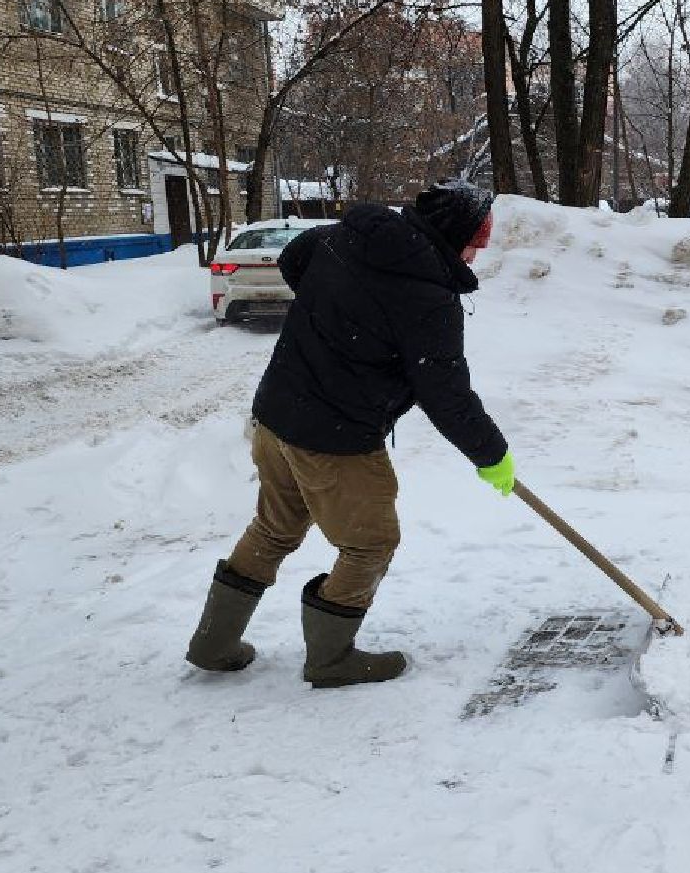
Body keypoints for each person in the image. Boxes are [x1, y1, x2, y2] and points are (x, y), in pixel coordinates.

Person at [184, 180, 515, 688]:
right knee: (371, 543)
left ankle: (214, 642)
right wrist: (492, 454)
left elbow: (295, 259)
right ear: (453, 235)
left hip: (275, 416)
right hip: (334, 437)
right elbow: (446, 395)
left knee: (274, 528)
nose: (477, 254)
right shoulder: (428, 297)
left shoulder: (346, 238)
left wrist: (339, 321)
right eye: (478, 241)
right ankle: (331, 658)